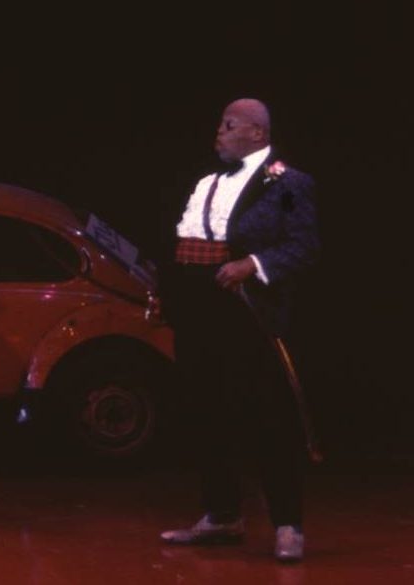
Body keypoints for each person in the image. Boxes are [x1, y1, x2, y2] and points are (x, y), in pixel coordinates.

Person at [159, 98, 320, 564]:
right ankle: (222, 514)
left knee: (268, 415)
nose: (219, 132)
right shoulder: (206, 180)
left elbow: (304, 245)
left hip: (247, 308)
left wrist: (253, 264)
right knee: (206, 409)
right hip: (200, 305)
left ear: (256, 133)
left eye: (228, 125)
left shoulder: (286, 183)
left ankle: (288, 523)